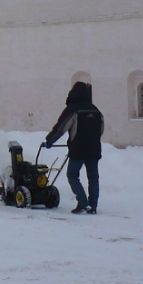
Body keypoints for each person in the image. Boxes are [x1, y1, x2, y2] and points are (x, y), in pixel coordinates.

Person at [44, 81, 103, 214]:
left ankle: (82, 203)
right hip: (94, 149)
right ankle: (93, 206)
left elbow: (61, 128)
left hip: (78, 150)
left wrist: (49, 141)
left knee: (72, 175)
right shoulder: (95, 109)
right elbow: (101, 129)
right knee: (93, 177)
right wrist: (93, 140)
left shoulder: (73, 109)